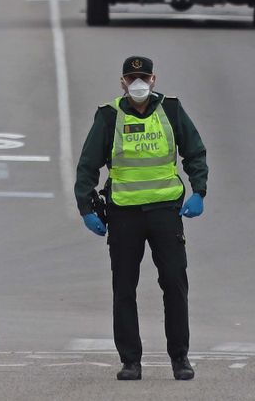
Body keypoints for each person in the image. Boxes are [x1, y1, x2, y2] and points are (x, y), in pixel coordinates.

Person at [74, 55, 208, 382]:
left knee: (174, 285)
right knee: (124, 289)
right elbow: (88, 165)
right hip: (124, 215)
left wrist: (199, 191)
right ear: (122, 83)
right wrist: (86, 208)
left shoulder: (171, 110)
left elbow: (195, 152)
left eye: (144, 78)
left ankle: (180, 358)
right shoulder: (109, 116)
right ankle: (130, 361)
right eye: (132, 79)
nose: (138, 84)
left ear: (153, 80)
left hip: (166, 213)